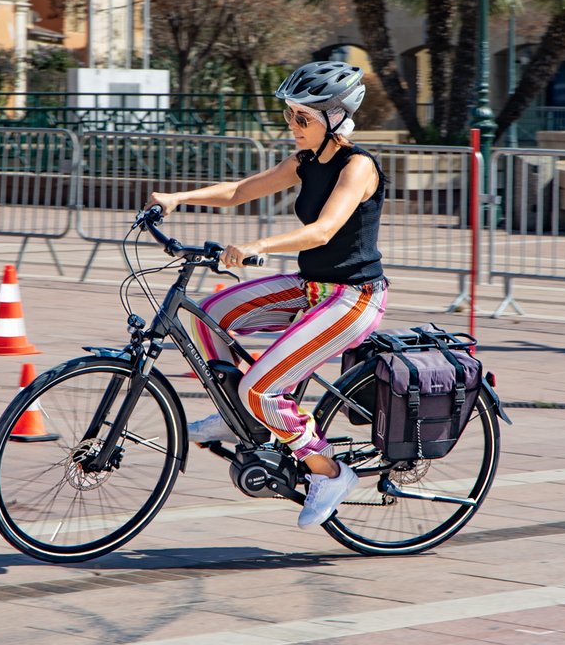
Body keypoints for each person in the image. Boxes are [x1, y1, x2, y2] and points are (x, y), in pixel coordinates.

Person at [147, 61, 388, 529]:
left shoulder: (357, 166)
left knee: (260, 386)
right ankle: (239, 412)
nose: (292, 126)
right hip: (310, 288)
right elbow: (240, 191)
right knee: (209, 313)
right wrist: (178, 198)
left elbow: (323, 231)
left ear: (335, 118)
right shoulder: (304, 162)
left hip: (352, 298)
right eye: (289, 116)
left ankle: (329, 472)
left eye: (303, 118)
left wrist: (257, 246)